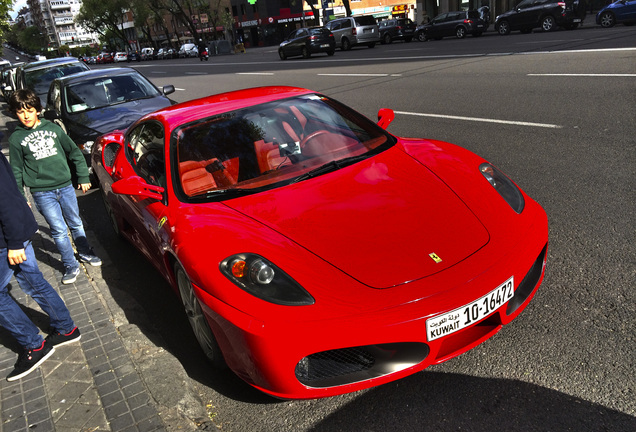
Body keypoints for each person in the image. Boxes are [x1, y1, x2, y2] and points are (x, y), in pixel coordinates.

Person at [0, 150, 81, 381]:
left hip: (8, 239)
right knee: (33, 281)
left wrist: (15, 242)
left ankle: (34, 345)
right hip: (14, 233)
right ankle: (66, 328)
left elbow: (4, 199)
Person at [8, 89, 102, 285]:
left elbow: (74, 153)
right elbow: (16, 170)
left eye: (30, 110)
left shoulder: (53, 129)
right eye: (20, 112)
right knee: (59, 229)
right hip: (42, 192)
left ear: (38, 110)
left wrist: (83, 176)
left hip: (66, 187)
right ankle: (70, 264)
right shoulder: (16, 139)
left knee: (75, 223)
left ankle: (85, 252)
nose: (26, 116)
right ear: (15, 113)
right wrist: (21, 198)